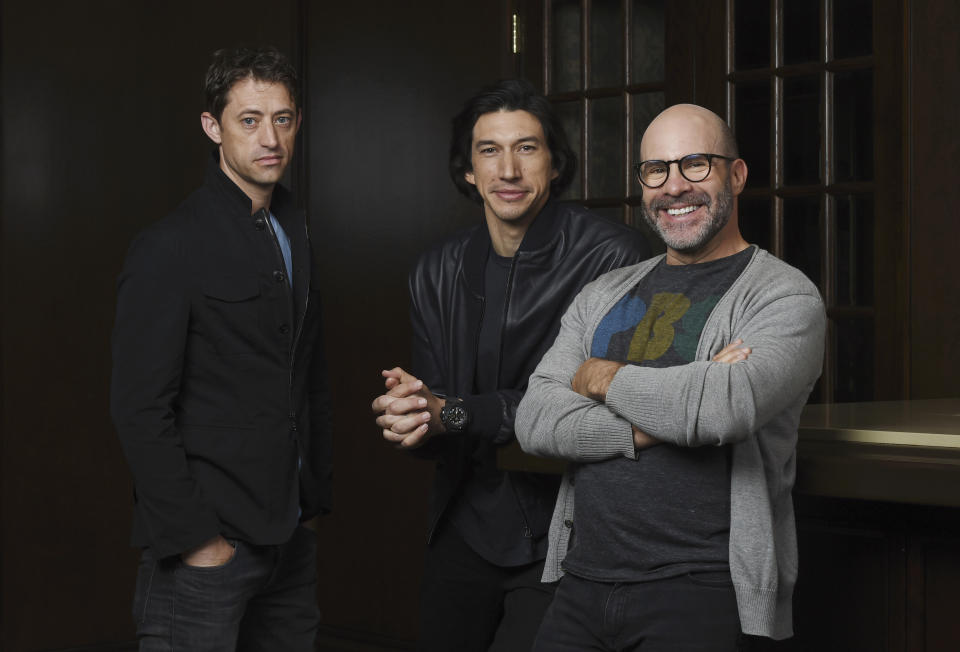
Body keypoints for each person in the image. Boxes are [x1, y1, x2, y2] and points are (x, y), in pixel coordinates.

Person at [514, 103, 826, 651]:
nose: (673, 186)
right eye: (655, 170)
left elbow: (725, 407)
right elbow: (536, 419)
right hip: (581, 582)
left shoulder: (783, 295)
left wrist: (600, 376)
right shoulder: (604, 293)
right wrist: (665, 415)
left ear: (737, 174)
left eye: (695, 165)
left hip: (700, 589)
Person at [370, 79, 651, 651]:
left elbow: (596, 404)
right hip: (463, 524)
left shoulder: (613, 257)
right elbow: (440, 418)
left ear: (554, 163)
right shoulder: (435, 269)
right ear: (469, 170)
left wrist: (450, 410)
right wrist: (410, 417)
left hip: (567, 529)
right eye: (489, 151)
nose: (509, 170)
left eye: (526, 148)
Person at [110, 46, 331, 651]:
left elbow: (304, 379)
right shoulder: (168, 246)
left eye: (283, 119)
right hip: (206, 549)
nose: (270, 137)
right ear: (214, 127)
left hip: (288, 541)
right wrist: (199, 543)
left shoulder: (294, 231)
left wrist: (311, 504)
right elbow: (138, 408)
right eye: (250, 120)